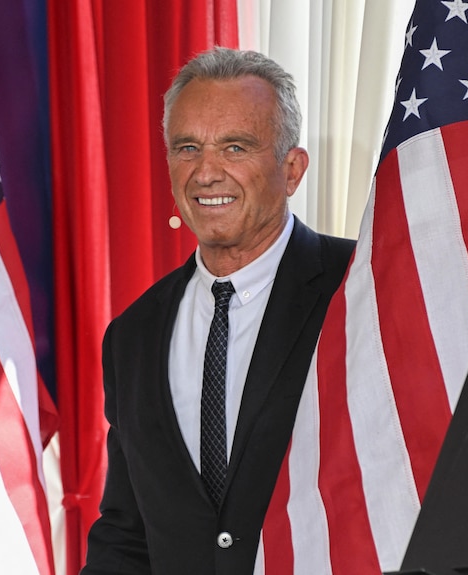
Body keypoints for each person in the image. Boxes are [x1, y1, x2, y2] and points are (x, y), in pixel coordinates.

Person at [82, 47, 355, 574]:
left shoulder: (358, 286)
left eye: (235, 147)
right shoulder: (132, 336)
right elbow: (126, 532)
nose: (206, 173)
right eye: (187, 147)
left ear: (292, 169)